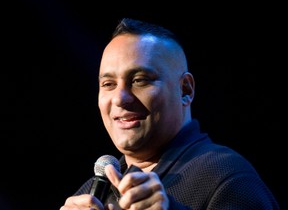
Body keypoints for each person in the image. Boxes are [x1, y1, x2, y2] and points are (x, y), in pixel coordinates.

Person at [60, 18, 279, 210]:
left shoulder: (227, 178)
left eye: (140, 80)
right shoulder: (91, 193)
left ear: (185, 90)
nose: (119, 98)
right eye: (108, 84)